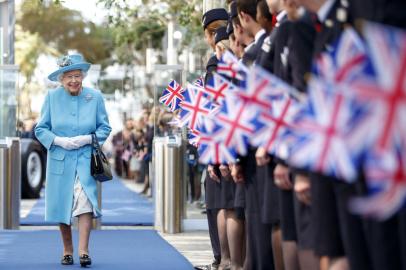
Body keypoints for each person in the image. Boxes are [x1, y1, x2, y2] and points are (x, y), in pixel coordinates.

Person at [35, 53, 112, 267]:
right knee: (63, 205)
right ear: (61, 78)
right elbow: (40, 129)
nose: (73, 81)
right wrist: (58, 141)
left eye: (77, 75)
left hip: (86, 159)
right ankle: (67, 249)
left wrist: (88, 138)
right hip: (60, 159)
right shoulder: (51, 98)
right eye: (69, 76)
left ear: (83, 76)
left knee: (85, 202)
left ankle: (83, 250)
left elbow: (105, 127)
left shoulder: (94, 96)